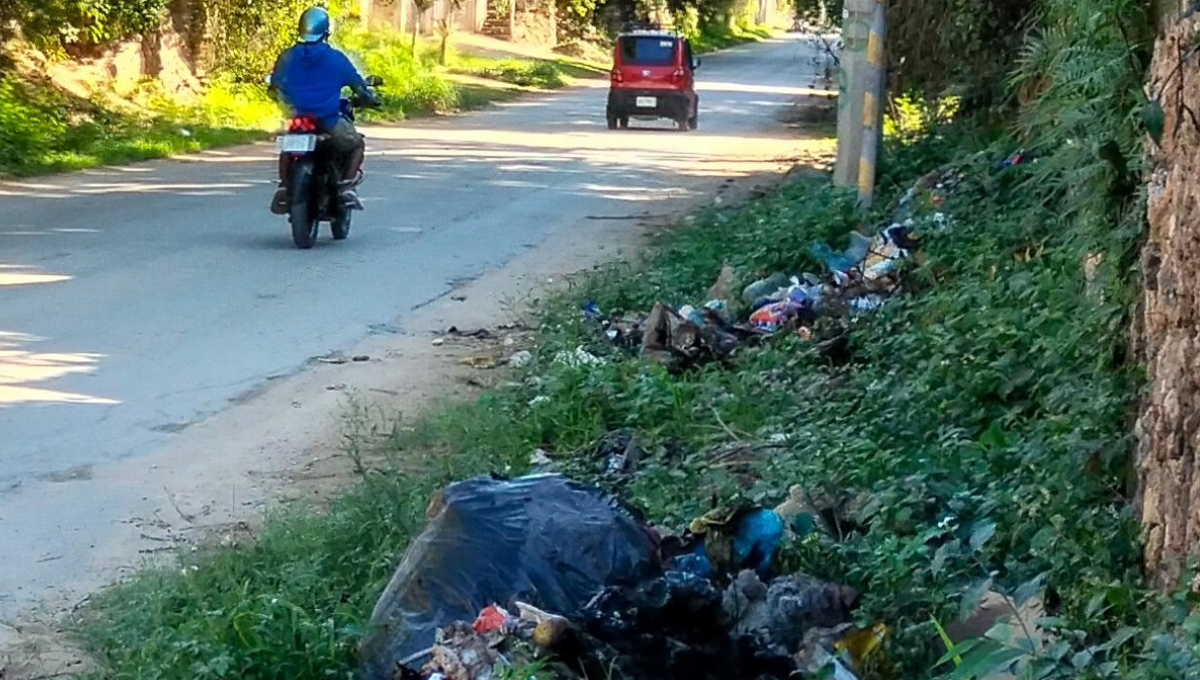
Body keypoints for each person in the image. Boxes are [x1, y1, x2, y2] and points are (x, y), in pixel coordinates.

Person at [269, 6, 378, 213]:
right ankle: (346, 187)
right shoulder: (336, 58)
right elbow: (358, 86)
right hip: (327, 119)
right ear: (326, 31)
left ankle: (284, 185)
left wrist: (285, 101)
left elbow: (274, 86)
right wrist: (368, 98)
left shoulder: (287, 57)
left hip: (296, 119)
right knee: (356, 145)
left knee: (287, 148)